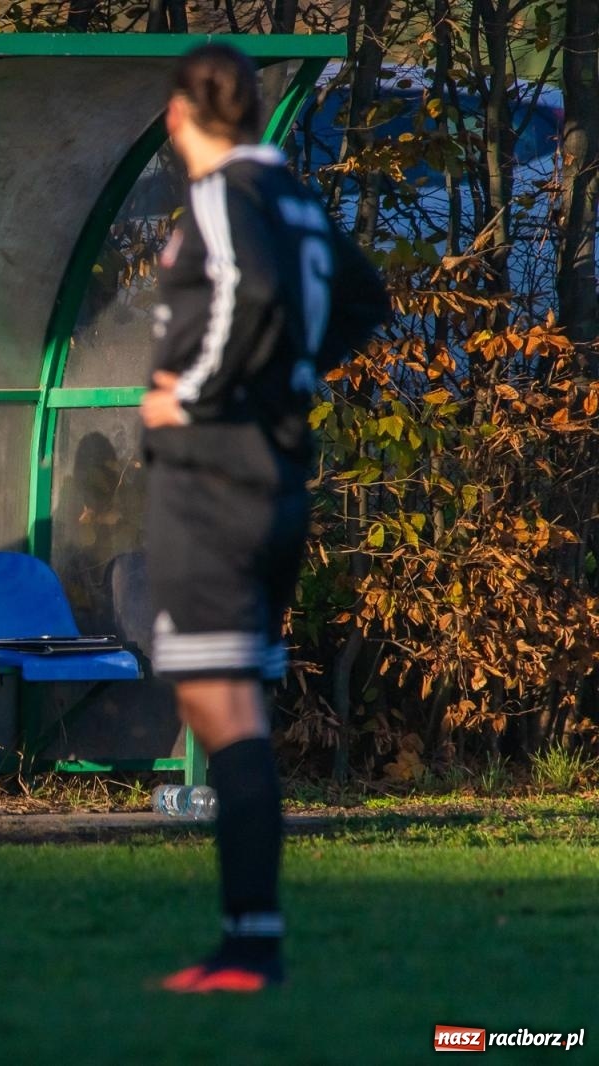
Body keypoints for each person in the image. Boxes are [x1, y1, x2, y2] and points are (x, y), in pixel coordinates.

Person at [139, 45, 389, 991]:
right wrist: (293, 374)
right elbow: (364, 300)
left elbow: (254, 291)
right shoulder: (297, 200)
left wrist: (192, 394)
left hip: (214, 482)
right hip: (277, 474)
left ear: (178, 117)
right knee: (231, 706)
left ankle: (251, 945)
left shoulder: (221, 192)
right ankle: (249, 938)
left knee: (225, 711)